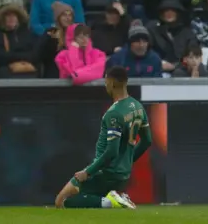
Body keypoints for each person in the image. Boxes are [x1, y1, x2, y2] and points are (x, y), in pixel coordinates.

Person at [54, 66, 151, 209]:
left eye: (106, 81)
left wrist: (87, 172)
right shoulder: (138, 107)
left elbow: (112, 151)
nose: (105, 85)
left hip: (105, 172)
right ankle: (117, 197)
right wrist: (127, 161)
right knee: (89, 199)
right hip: (123, 174)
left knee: (61, 201)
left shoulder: (114, 113)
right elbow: (147, 141)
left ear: (111, 82)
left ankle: (110, 202)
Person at [0, 5, 38, 79]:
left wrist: (13, 55)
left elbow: (34, 54)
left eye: (14, 15)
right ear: (1, 19)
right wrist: (21, 56)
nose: (11, 18)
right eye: (8, 16)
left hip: (26, 72)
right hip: (1, 73)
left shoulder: (26, 33)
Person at [147, 0, 198, 73]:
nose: (168, 14)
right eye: (166, 11)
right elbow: (147, 52)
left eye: (172, 11)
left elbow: (194, 54)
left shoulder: (188, 33)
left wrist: (176, 66)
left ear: (178, 13)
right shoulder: (153, 32)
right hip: (158, 71)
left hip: (183, 71)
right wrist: (161, 63)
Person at [37, 2, 78, 78]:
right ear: (58, 17)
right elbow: (39, 55)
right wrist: (51, 40)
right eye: (64, 15)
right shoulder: (50, 33)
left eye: (70, 15)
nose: (67, 18)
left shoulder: (77, 33)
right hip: (54, 73)